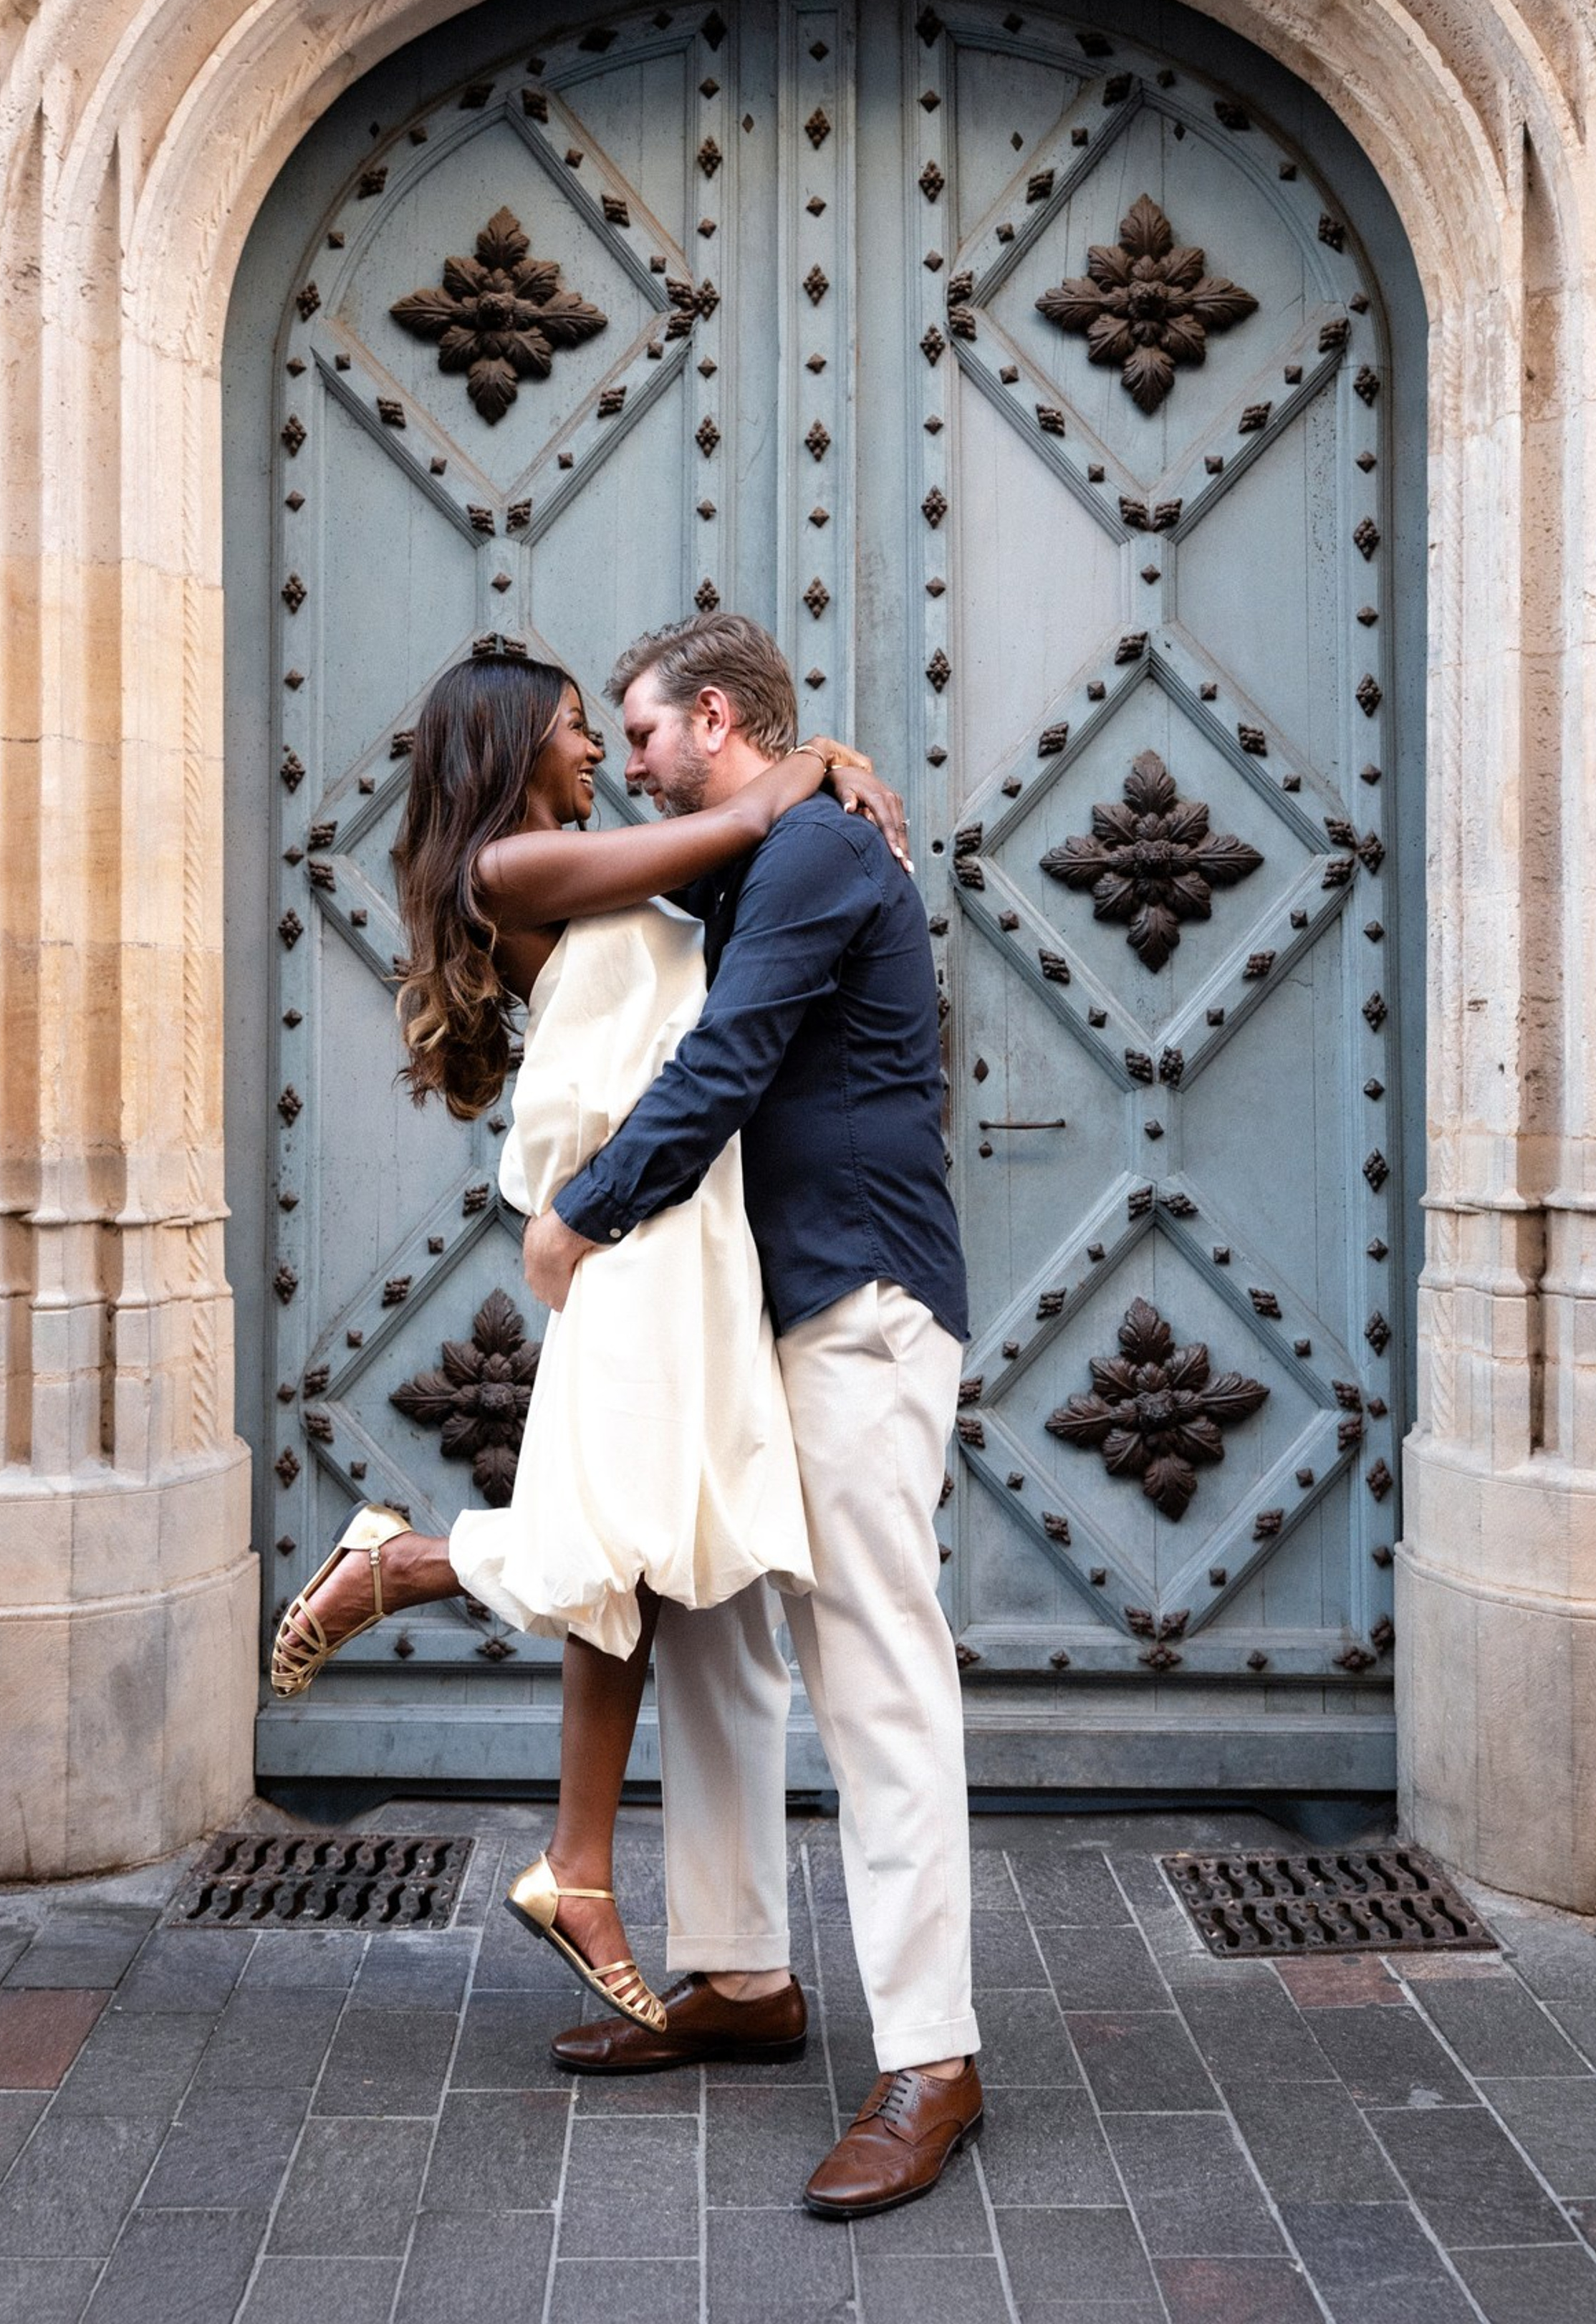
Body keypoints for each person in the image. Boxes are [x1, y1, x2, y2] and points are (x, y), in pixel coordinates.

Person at [267, 643, 903, 2037]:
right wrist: (825, 763)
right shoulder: (513, 869)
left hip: (681, 1226)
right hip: (629, 1232)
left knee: (653, 1552)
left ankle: (583, 1864)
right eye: (572, 731)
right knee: (629, 1547)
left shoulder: (590, 855)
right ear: (505, 750)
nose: (598, 755)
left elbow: (735, 886)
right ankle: (407, 1573)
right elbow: (744, 824)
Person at [521, 613, 982, 2220]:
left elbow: (726, 1056)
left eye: (643, 738)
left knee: (875, 1671)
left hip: (857, 1309)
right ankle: (740, 1980)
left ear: (710, 717)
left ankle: (931, 2057)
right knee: (710, 1630)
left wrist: (580, 1210)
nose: (629, 770)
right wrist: (805, 763)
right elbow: (640, 889)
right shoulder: (773, 840)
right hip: (758, 1324)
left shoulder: (816, 864)